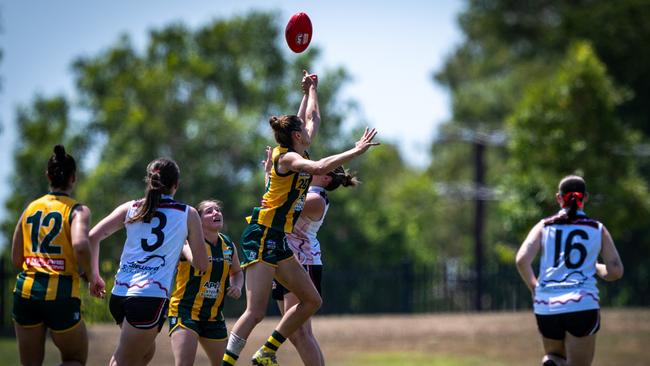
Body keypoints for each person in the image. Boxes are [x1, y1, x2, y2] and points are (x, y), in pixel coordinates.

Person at [222, 70, 379, 366]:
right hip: (262, 234)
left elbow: (311, 119)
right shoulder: (290, 158)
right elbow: (318, 162)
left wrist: (311, 91)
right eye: (303, 132)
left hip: (277, 239)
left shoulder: (295, 150)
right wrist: (355, 151)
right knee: (255, 312)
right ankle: (228, 362)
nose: (310, 132)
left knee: (313, 301)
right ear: (296, 136)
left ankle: (266, 352)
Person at [89, 158, 208, 366]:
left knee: (145, 353)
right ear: (176, 185)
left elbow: (93, 237)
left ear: (149, 181)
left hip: (119, 295)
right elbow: (201, 264)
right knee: (124, 359)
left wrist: (94, 276)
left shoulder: (131, 207)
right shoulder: (188, 213)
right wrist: (182, 245)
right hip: (148, 298)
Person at [515, 175, 624, 366]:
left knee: (555, 358)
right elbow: (615, 271)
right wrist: (596, 267)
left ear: (559, 198)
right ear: (586, 197)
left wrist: (535, 287)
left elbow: (521, 260)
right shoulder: (597, 228)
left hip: (547, 304)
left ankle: (552, 362)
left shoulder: (545, 225)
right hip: (582, 303)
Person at [11, 144, 103, 366]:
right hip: (61, 294)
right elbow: (81, 245)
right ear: (73, 178)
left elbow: (16, 258)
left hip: (25, 293)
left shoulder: (30, 208)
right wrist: (91, 276)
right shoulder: (77, 210)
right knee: (75, 360)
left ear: (48, 175)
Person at [267, 157, 359, 366]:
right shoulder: (305, 194)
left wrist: (274, 178)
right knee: (296, 333)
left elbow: (278, 208)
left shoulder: (316, 199)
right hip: (285, 260)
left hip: (302, 262)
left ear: (325, 177)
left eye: (318, 168)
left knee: (299, 332)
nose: (310, 169)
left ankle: (269, 350)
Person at [168, 199, 244, 366]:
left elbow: (237, 272)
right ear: (198, 220)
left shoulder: (228, 245)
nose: (216, 213)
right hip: (185, 311)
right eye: (209, 211)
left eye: (218, 210)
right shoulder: (187, 242)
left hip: (213, 316)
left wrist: (237, 286)